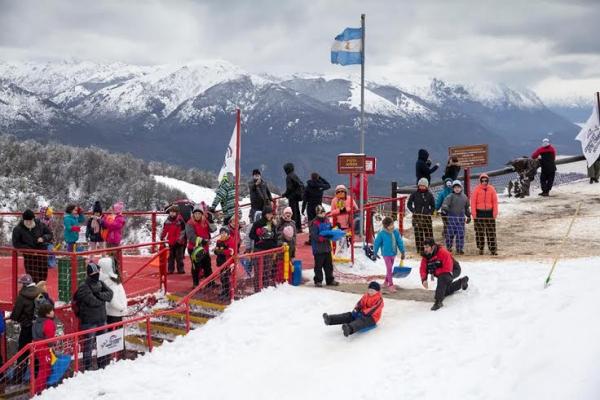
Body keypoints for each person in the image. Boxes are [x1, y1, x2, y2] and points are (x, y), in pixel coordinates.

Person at [74, 262, 113, 371]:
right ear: (90, 274)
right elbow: (92, 301)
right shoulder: (83, 287)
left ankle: (102, 364)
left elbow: (110, 294)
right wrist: (102, 299)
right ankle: (88, 367)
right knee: (89, 346)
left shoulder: (100, 283)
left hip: (102, 319)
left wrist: (99, 295)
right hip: (89, 322)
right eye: (95, 273)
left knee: (103, 344)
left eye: (97, 272)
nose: (97, 274)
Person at [420, 238, 469, 311]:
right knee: (444, 291)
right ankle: (461, 282)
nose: (425, 249)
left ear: (432, 247)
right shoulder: (426, 255)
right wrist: (424, 279)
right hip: (441, 272)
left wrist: (434, 270)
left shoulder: (443, 252)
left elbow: (447, 269)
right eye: (424, 247)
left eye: (427, 247)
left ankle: (438, 301)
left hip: (453, 269)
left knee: (443, 279)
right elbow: (423, 268)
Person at [9, 274, 40, 380]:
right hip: (37, 326)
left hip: (27, 327)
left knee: (23, 351)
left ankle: (18, 377)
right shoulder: (38, 292)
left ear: (24, 284)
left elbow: (16, 314)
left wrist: (15, 318)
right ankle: (37, 374)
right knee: (37, 349)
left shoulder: (22, 296)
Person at [12, 210, 54, 283]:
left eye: (30, 220)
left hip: (42, 253)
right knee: (33, 276)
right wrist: (28, 250)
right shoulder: (18, 229)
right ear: (24, 219)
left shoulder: (40, 225)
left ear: (33, 219)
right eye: (26, 220)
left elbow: (50, 234)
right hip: (29, 256)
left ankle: (41, 291)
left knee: (43, 275)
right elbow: (16, 243)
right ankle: (34, 292)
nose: (28, 222)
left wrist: (43, 238)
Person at [372, 217, 406, 293]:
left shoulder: (396, 232)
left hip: (393, 253)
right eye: (390, 225)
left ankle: (385, 282)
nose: (392, 226)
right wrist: (375, 252)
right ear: (386, 226)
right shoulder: (381, 233)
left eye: (392, 224)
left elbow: (399, 242)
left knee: (389, 269)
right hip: (386, 254)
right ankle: (390, 285)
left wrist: (403, 251)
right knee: (389, 269)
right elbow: (377, 243)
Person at [249, 206, 279, 288]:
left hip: (269, 250)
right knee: (258, 270)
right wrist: (259, 237)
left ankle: (265, 288)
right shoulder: (258, 223)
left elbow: (275, 237)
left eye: (271, 214)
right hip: (259, 249)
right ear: (264, 214)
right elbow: (251, 235)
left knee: (267, 270)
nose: (270, 216)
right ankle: (257, 288)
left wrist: (274, 248)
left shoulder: (272, 224)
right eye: (268, 214)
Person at [309, 205, 339, 287]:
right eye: (321, 213)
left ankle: (330, 280)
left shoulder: (327, 221)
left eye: (323, 212)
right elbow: (314, 236)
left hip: (327, 248)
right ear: (317, 214)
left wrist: (334, 230)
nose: (323, 214)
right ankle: (318, 281)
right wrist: (324, 237)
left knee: (328, 265)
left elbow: (330, 229)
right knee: (318, 266)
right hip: (318, 249)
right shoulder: (314, 223)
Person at [470, 174, 499, 256]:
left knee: (491, 232)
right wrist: (474, 213)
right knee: (479, 232)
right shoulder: (476, 189)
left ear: (488, 181)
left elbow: (495, 202)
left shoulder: (492, 189)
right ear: (480, 181)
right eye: (482, 180)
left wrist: (495, 212)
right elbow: (473, 202)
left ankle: (493, 250)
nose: (484, 182)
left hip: (489, 213)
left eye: (486, 180)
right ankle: (480, 248)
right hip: (479, 213)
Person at [441, 180, 471, 254]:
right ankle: (449, 247)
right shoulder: (450, 196)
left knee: (460, 234)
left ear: (461, 188)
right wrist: (444, 210)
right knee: (450, 234)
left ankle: (459, 248)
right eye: (455, 187)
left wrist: (468, 215)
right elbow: (445, 204)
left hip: (461, 218)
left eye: (458, 187)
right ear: (453, 188)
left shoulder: (464, 197)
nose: (457, 189)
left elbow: (467, 207)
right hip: (451, 217)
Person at [32, 302, 56, 394]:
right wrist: (53, 346)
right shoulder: (49, 323)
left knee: (40, 368)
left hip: (36, 346)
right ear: (46, 313)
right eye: (51, 311)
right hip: (44, 348)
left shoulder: (36, 321)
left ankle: (38, 388)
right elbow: (50, 340)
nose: (53, 312)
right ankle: (39, 390)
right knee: (45, 369)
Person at [407, 178, 435, 254]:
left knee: (428, 234)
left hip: (427, 217)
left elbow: (433, 206)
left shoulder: (429, 195)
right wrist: (413, 211)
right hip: (417, 217)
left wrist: (430, 212)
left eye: (423, 186)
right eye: (420, 185)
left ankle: (430, 249)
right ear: (418, 185)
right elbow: (409, 204)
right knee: (418, 234)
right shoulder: (414, 194)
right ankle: (420, 250)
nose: (422, 187)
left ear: (427, 186)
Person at [186, 207, 212, 286]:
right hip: (194, 249)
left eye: (199, 214)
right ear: (193, 215)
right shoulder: (189, 223)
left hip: (205, 248)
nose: (197, 215)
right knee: (196, 267)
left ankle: (210, 282)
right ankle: (196, 284)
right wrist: (202, 240)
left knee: (207, 265)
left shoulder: (205, 221)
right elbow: (191, 237)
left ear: (202, 215)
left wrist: (211, 221)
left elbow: (213, 229)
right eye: (196, 214)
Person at [98, 257, 127, 326]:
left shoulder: (104, 280)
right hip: (116, 314)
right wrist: (122, 308)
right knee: (116, 335)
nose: (117, 268)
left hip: (109, 313)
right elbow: (113, 300)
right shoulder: (112, 283)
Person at [160, 205, 187, 274]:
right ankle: (170, 269)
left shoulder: (180, 221)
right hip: (171, 241)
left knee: (179, 257)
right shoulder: (167, 221)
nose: (172, 213)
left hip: (179, 243)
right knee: (170, 257)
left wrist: (179, 240)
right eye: (171, 212)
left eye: (173, 212)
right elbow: (164, 229)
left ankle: (180, 269)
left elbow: (183, 232)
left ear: (177, 213)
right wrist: (162, 236)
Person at [282, 163, 304, 232]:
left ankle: (294, 228)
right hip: (297, 197)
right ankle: (299, 227)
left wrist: (285, 194)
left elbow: (289, 188)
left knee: (292, 213)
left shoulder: (289, 177)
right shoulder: (294, 175)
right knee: (297, 212)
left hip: (292, 197)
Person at [214, 227, 235, 301]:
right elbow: (216, 250)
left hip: (227, 262)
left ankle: (227, 292)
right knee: (222, 278)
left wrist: (221, 251)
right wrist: (217, 251)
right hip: (221, 261)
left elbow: (231, 251)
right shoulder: (219, 241)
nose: (222, 234)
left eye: (224, 233)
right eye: (221, 233)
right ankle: (224, 291)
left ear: (227, 233)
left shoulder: (231, 240)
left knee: (225, 277)